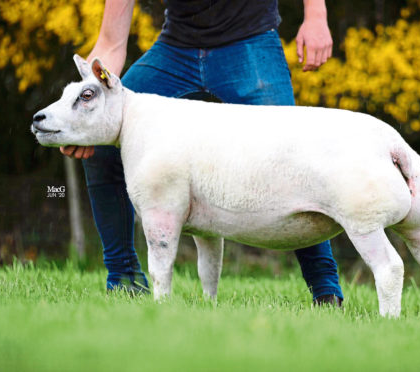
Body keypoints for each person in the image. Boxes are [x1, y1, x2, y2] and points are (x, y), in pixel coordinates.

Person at [61, 0, 343, 306]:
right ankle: (124, 280)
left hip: (250, 42)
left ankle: (325, 290)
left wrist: (316, 16)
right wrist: (83, 114)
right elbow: (111, 43)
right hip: (176, 48)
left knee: (291, 159)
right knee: (103, 149)